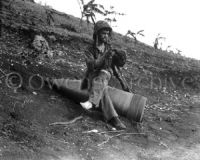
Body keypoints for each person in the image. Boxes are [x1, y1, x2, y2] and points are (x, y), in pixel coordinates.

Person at [80, 20, 132, 130]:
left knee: (104, 73)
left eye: (108, 33)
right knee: (102, 89)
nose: (106, 36)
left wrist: (125, 85)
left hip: (105, 76)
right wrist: (104, 56)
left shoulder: (108, 48)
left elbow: (115, 68)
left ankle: (92, 102)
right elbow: (91, 66)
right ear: (97, 34)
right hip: (93, 77)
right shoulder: (89, 49)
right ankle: (114, 119)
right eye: (103, 33)